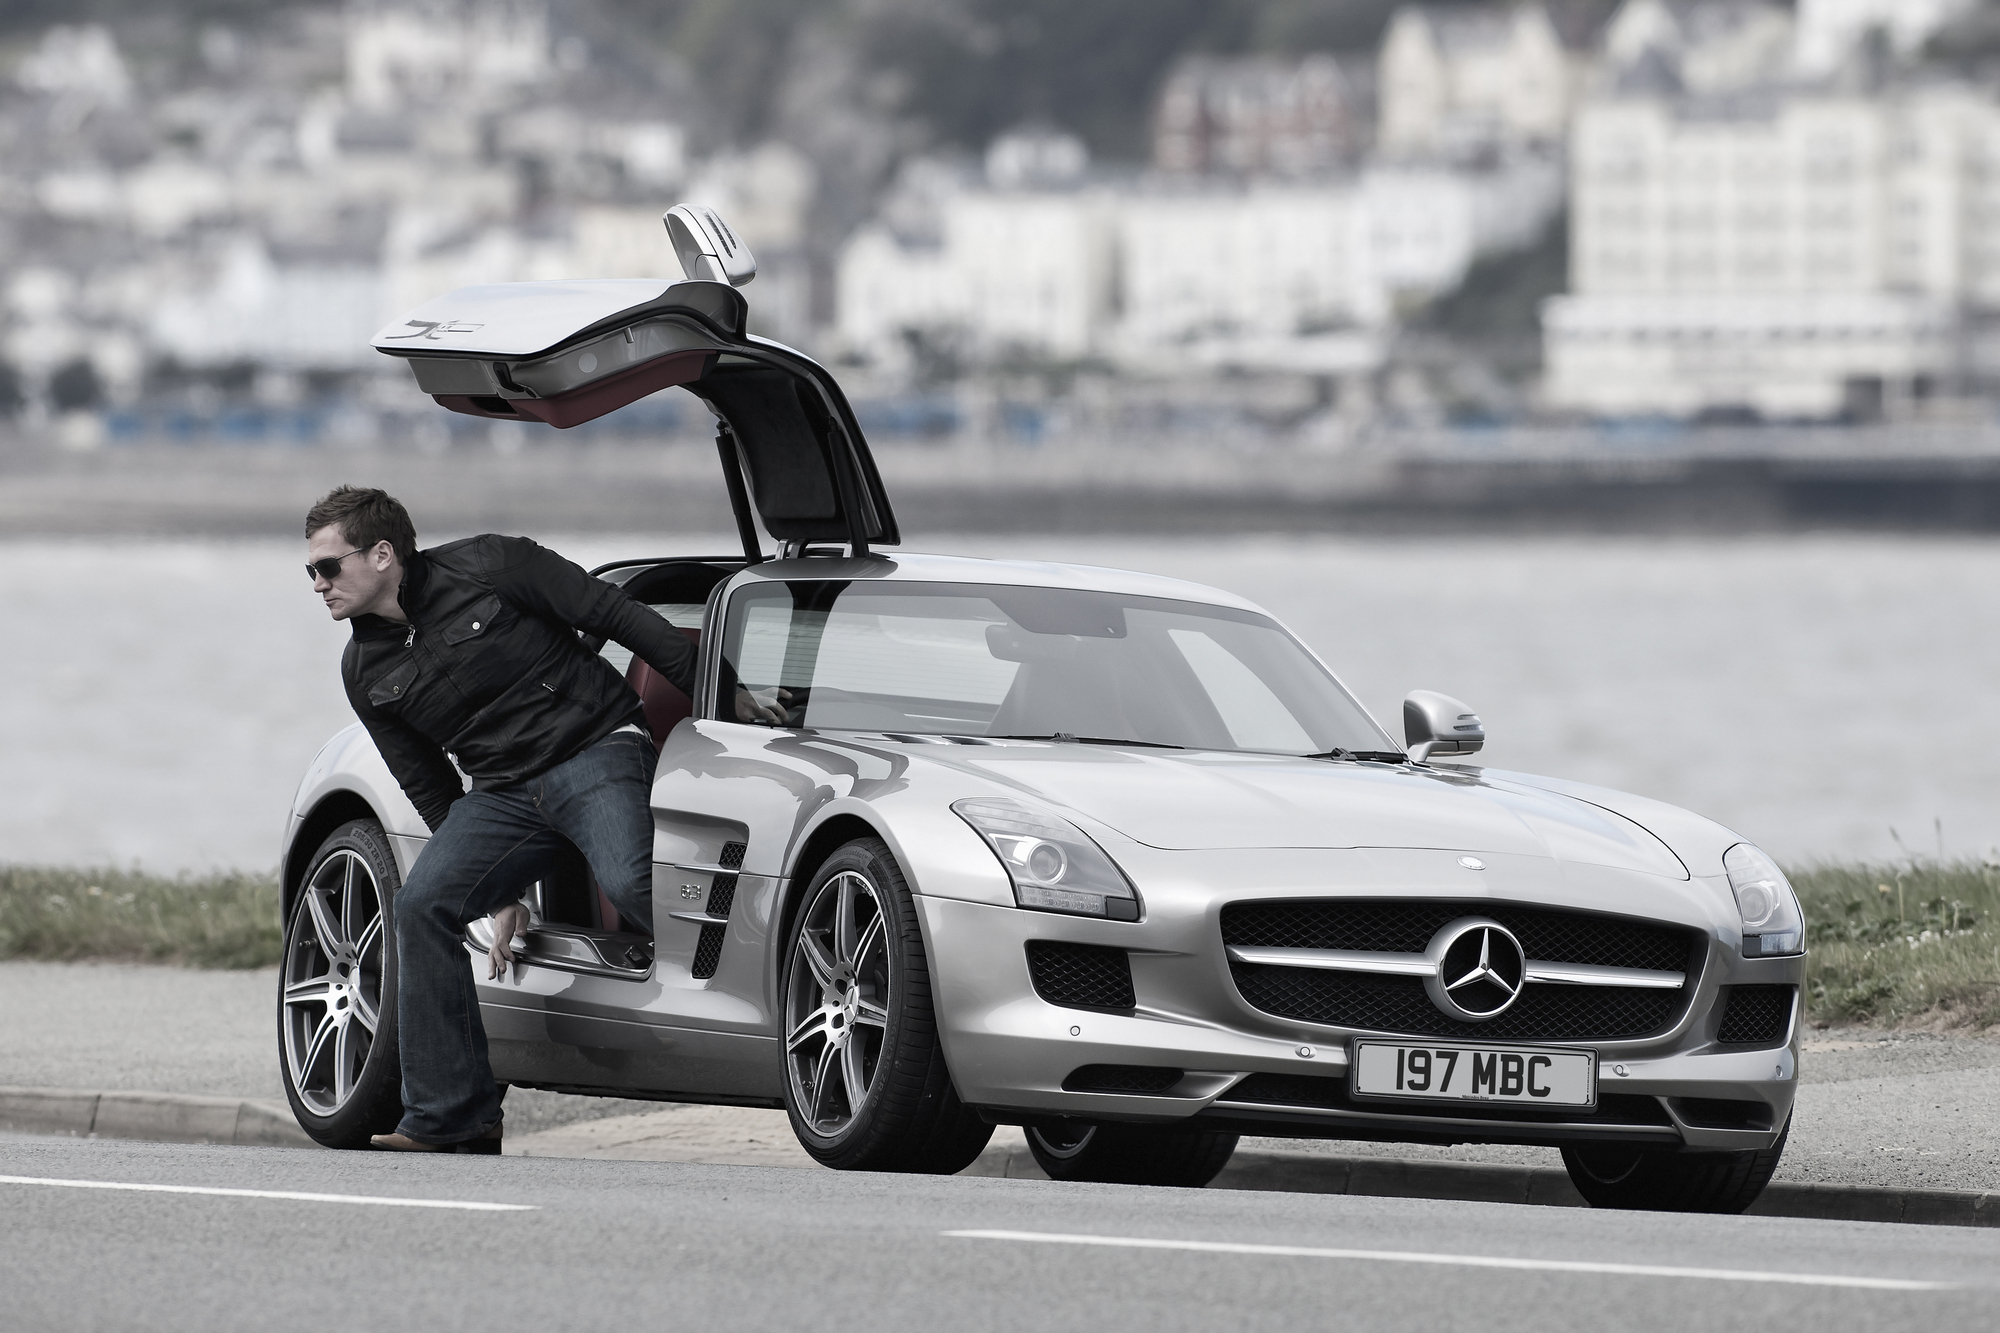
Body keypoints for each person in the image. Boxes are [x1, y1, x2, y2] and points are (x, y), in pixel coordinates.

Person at [305, 485, 780, 1153]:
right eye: (311, 572)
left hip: (595, 747)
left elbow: (615, 613)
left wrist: (723, 699)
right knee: (422, 903)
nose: (318, 584)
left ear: (382, 554)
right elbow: (429, 782)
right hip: (502, 794)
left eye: (327, 567)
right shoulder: (364, 667)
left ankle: (770, 1018)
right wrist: (497, 890)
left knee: (633, 882)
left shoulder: (493, 564)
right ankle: (454, 1118)